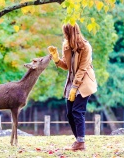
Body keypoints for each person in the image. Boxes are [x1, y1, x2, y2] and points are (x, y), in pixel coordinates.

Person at [48, 23, 97, 151]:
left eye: (66, 33)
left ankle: (81, 142)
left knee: (77, 111)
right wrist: (57, 59)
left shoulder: (86, 47)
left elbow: (82, 69)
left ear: (72, 33)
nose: (64, 36)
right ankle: (79, 141)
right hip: (72, 82)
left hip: (84, 82)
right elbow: (67, 66)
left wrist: (75, 87)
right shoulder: (66, 45)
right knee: (70, 113)